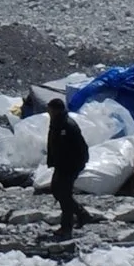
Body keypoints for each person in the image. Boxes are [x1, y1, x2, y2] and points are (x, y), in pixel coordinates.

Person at [44, 92, 89, 240]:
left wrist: (77, 163)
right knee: (57, 191)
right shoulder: (57, 122)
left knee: (63, 194)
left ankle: (66, 228)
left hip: (70, 165)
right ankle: (82, 214)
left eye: (50, 110)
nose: (48, 112)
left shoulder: (67, 125)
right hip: (61, 164)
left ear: (56, 110)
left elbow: (79, 147)